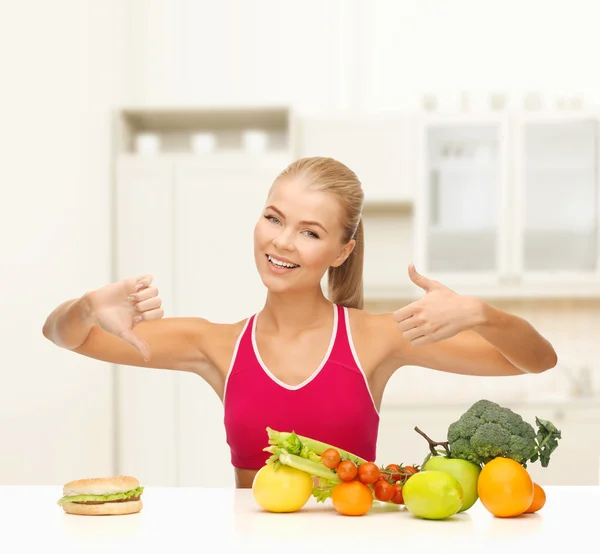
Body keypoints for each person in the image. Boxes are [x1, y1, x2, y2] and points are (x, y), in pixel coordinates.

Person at [42, 156, 558, 489]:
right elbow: (65, 337)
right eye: (273, 217)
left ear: (342, 250)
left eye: (310, 232)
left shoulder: (375, 337)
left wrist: (482, 314)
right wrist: (88, 305)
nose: (282, 242)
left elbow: (534, 362)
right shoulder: (215, 344)